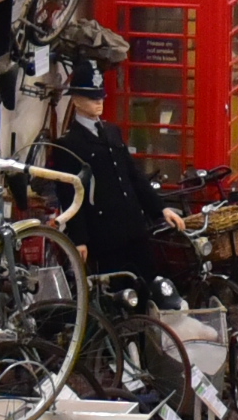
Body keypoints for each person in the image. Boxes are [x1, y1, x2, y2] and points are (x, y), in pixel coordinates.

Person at [46, 64, 176, 297]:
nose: (99, 102)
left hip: (134, 226)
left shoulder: (112, 131)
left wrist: (160, 209)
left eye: (101, 96)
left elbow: (133, 175)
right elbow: (69, 195)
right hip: (104, 234)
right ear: (76, 100)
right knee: (119, 296)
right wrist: (79, 239)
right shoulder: (69, 144)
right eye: (92, 97)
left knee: (150, 288)